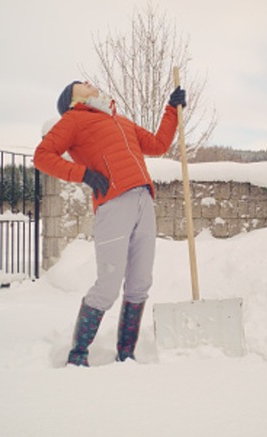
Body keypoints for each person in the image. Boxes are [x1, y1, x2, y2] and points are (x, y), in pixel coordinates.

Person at [33, 80, 186, 366]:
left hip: (143, 199)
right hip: (114, 204)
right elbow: (42, 157)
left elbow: (158, 145)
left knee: (140, 282)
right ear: (72, 99)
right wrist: (84, 175)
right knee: (108, 285)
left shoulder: (120, 120)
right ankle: (78, 355)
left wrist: (171, 109)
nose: (89, 83)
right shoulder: (73, 119)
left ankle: (126, 355)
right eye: (82, 83)